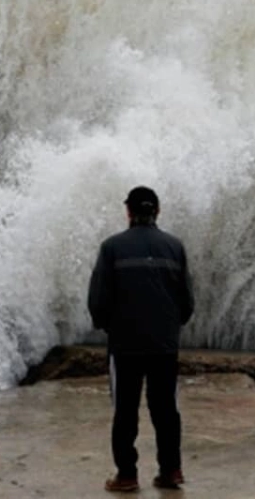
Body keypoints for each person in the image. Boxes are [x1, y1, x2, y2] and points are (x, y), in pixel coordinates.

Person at [88, 186, 195, 493]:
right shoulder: (175, 247)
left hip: (125, 344)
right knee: (165, 409)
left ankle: (127, 475)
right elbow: (187, 301)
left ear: (129, 212)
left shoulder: (111, 247)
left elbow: (98, 299)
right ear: (157, 212)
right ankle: (171, 470)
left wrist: (108, 326)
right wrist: (170, 327)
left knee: (125, 409)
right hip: (164, 344)